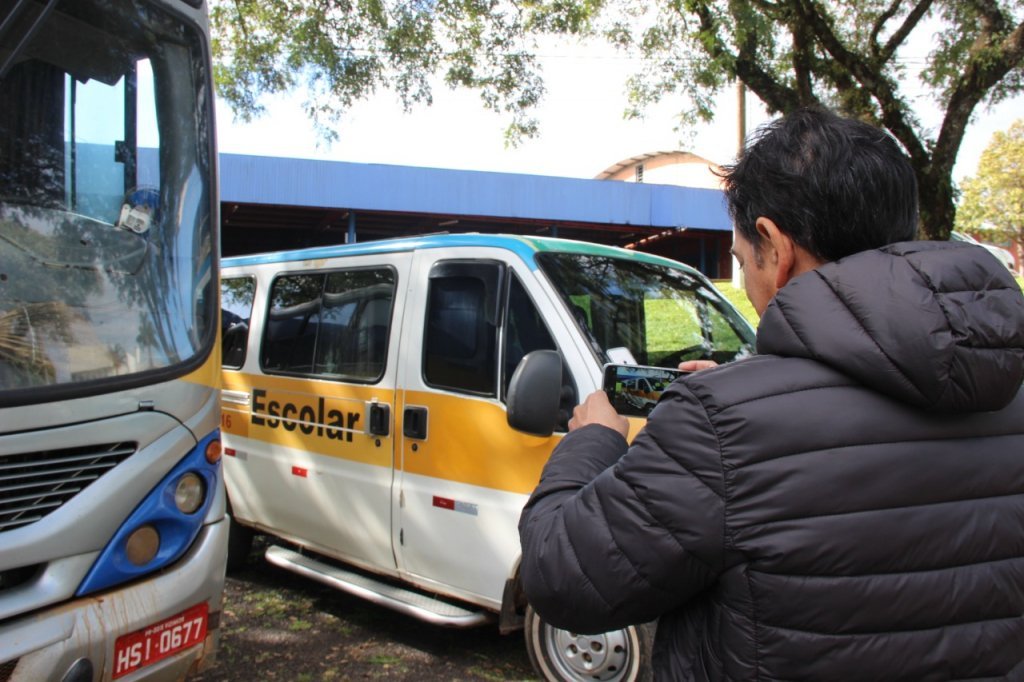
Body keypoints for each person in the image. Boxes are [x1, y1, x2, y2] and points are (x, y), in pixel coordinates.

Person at [518, 106, 1024, 680]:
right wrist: (750, 391)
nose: (747, 280)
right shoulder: (1008, 391)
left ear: (774, 247)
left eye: (740, 260)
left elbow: (562, 576)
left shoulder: (720, 427)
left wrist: (594, 443)